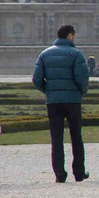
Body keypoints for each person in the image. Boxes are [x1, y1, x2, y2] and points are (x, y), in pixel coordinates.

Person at [33, 23, 90, 182]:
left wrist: (49, 91)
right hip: (72, 101)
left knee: (56, 139)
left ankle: (59, 174)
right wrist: (80, 92)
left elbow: (36, 79)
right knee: (76, 137)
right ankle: (79, 172)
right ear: (70, 35)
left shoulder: (44, 54)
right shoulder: (75, 54)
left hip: (53, 102)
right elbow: (82, 79)